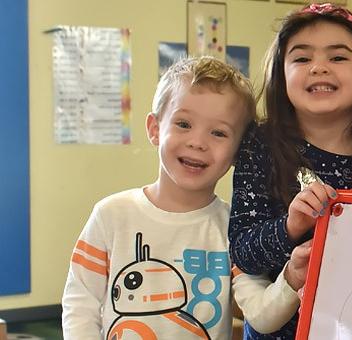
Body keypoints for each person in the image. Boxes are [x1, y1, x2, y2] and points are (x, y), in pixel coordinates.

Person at [61, 56, 307, 339]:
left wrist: (291, 278)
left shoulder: (234, 230)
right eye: (183, 124)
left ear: (240, 152)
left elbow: (262, 316)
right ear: (155, 129)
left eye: (218, 132)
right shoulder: (111, 215)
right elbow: (81, 304)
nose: (198, 142)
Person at [227, 3, 352, 338]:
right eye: (301, 58)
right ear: (281, 76)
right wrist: (291, 226)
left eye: (338, 57)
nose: (319, 68)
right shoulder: (261, 144)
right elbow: (242, 252)